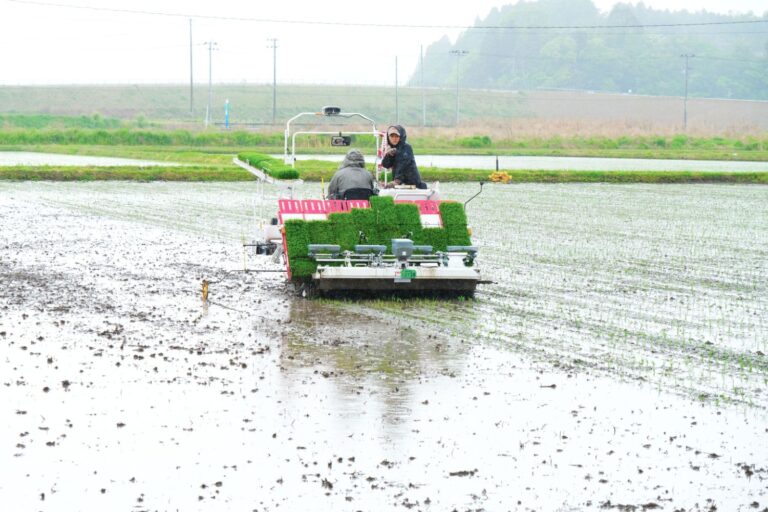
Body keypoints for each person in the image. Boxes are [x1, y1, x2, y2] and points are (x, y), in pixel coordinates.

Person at [381, 125, 426, 189]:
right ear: (388, 137)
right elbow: (385, 165)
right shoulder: (393, 149)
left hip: (413, 183)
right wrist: (389, 155)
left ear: (401, 136)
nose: (394, 139)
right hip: (400, 184)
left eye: (397, 136)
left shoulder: (406, 147)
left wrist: (397, 180)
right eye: (392, 136)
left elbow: (402, 164)